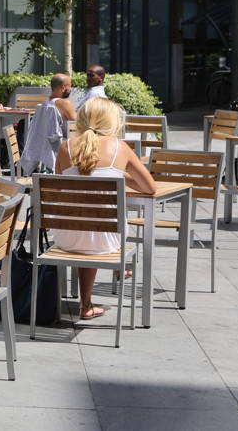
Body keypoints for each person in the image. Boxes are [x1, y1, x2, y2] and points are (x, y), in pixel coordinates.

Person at [53, 97, 156, 320]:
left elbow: (57, 190)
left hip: (66, 237)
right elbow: (150, 188)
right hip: (107, 241)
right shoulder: (120, 148)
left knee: (87, 224)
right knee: (97, 230)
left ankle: (86, 304)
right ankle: (91, 299)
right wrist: (119, 174)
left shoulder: (64, 148)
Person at [21, 73, 77, 174]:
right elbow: (77, 123)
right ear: (63, 87)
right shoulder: (64, 103)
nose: (71, 88)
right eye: (70, 85)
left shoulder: (44, 104)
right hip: (63, 145)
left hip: (47, 145)